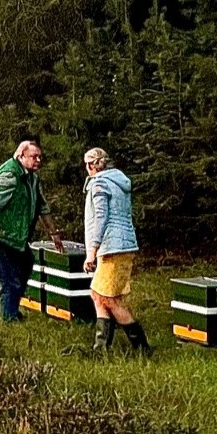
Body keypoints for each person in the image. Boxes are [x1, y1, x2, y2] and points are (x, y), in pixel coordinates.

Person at [0, 140, 60, 322]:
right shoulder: (10, 176)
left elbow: (43, 207)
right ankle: (9, 318)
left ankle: (10, 309)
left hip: (15, 236)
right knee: (8, 278)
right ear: (20, 156)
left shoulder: (32, 178)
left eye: (39, 157)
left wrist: (54, 234)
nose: (38, 160)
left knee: (26, 264)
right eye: (33, 157)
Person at [82, 147, 150, 354]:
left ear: (94, 165)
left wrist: (91, 252)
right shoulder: (118, 182)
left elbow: (100, 219)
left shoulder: (100, 184)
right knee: (97, 294)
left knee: (110, 299)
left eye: (87, 164)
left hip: (112, 246)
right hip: (123, 244)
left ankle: (142, 349)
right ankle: (100, 348)